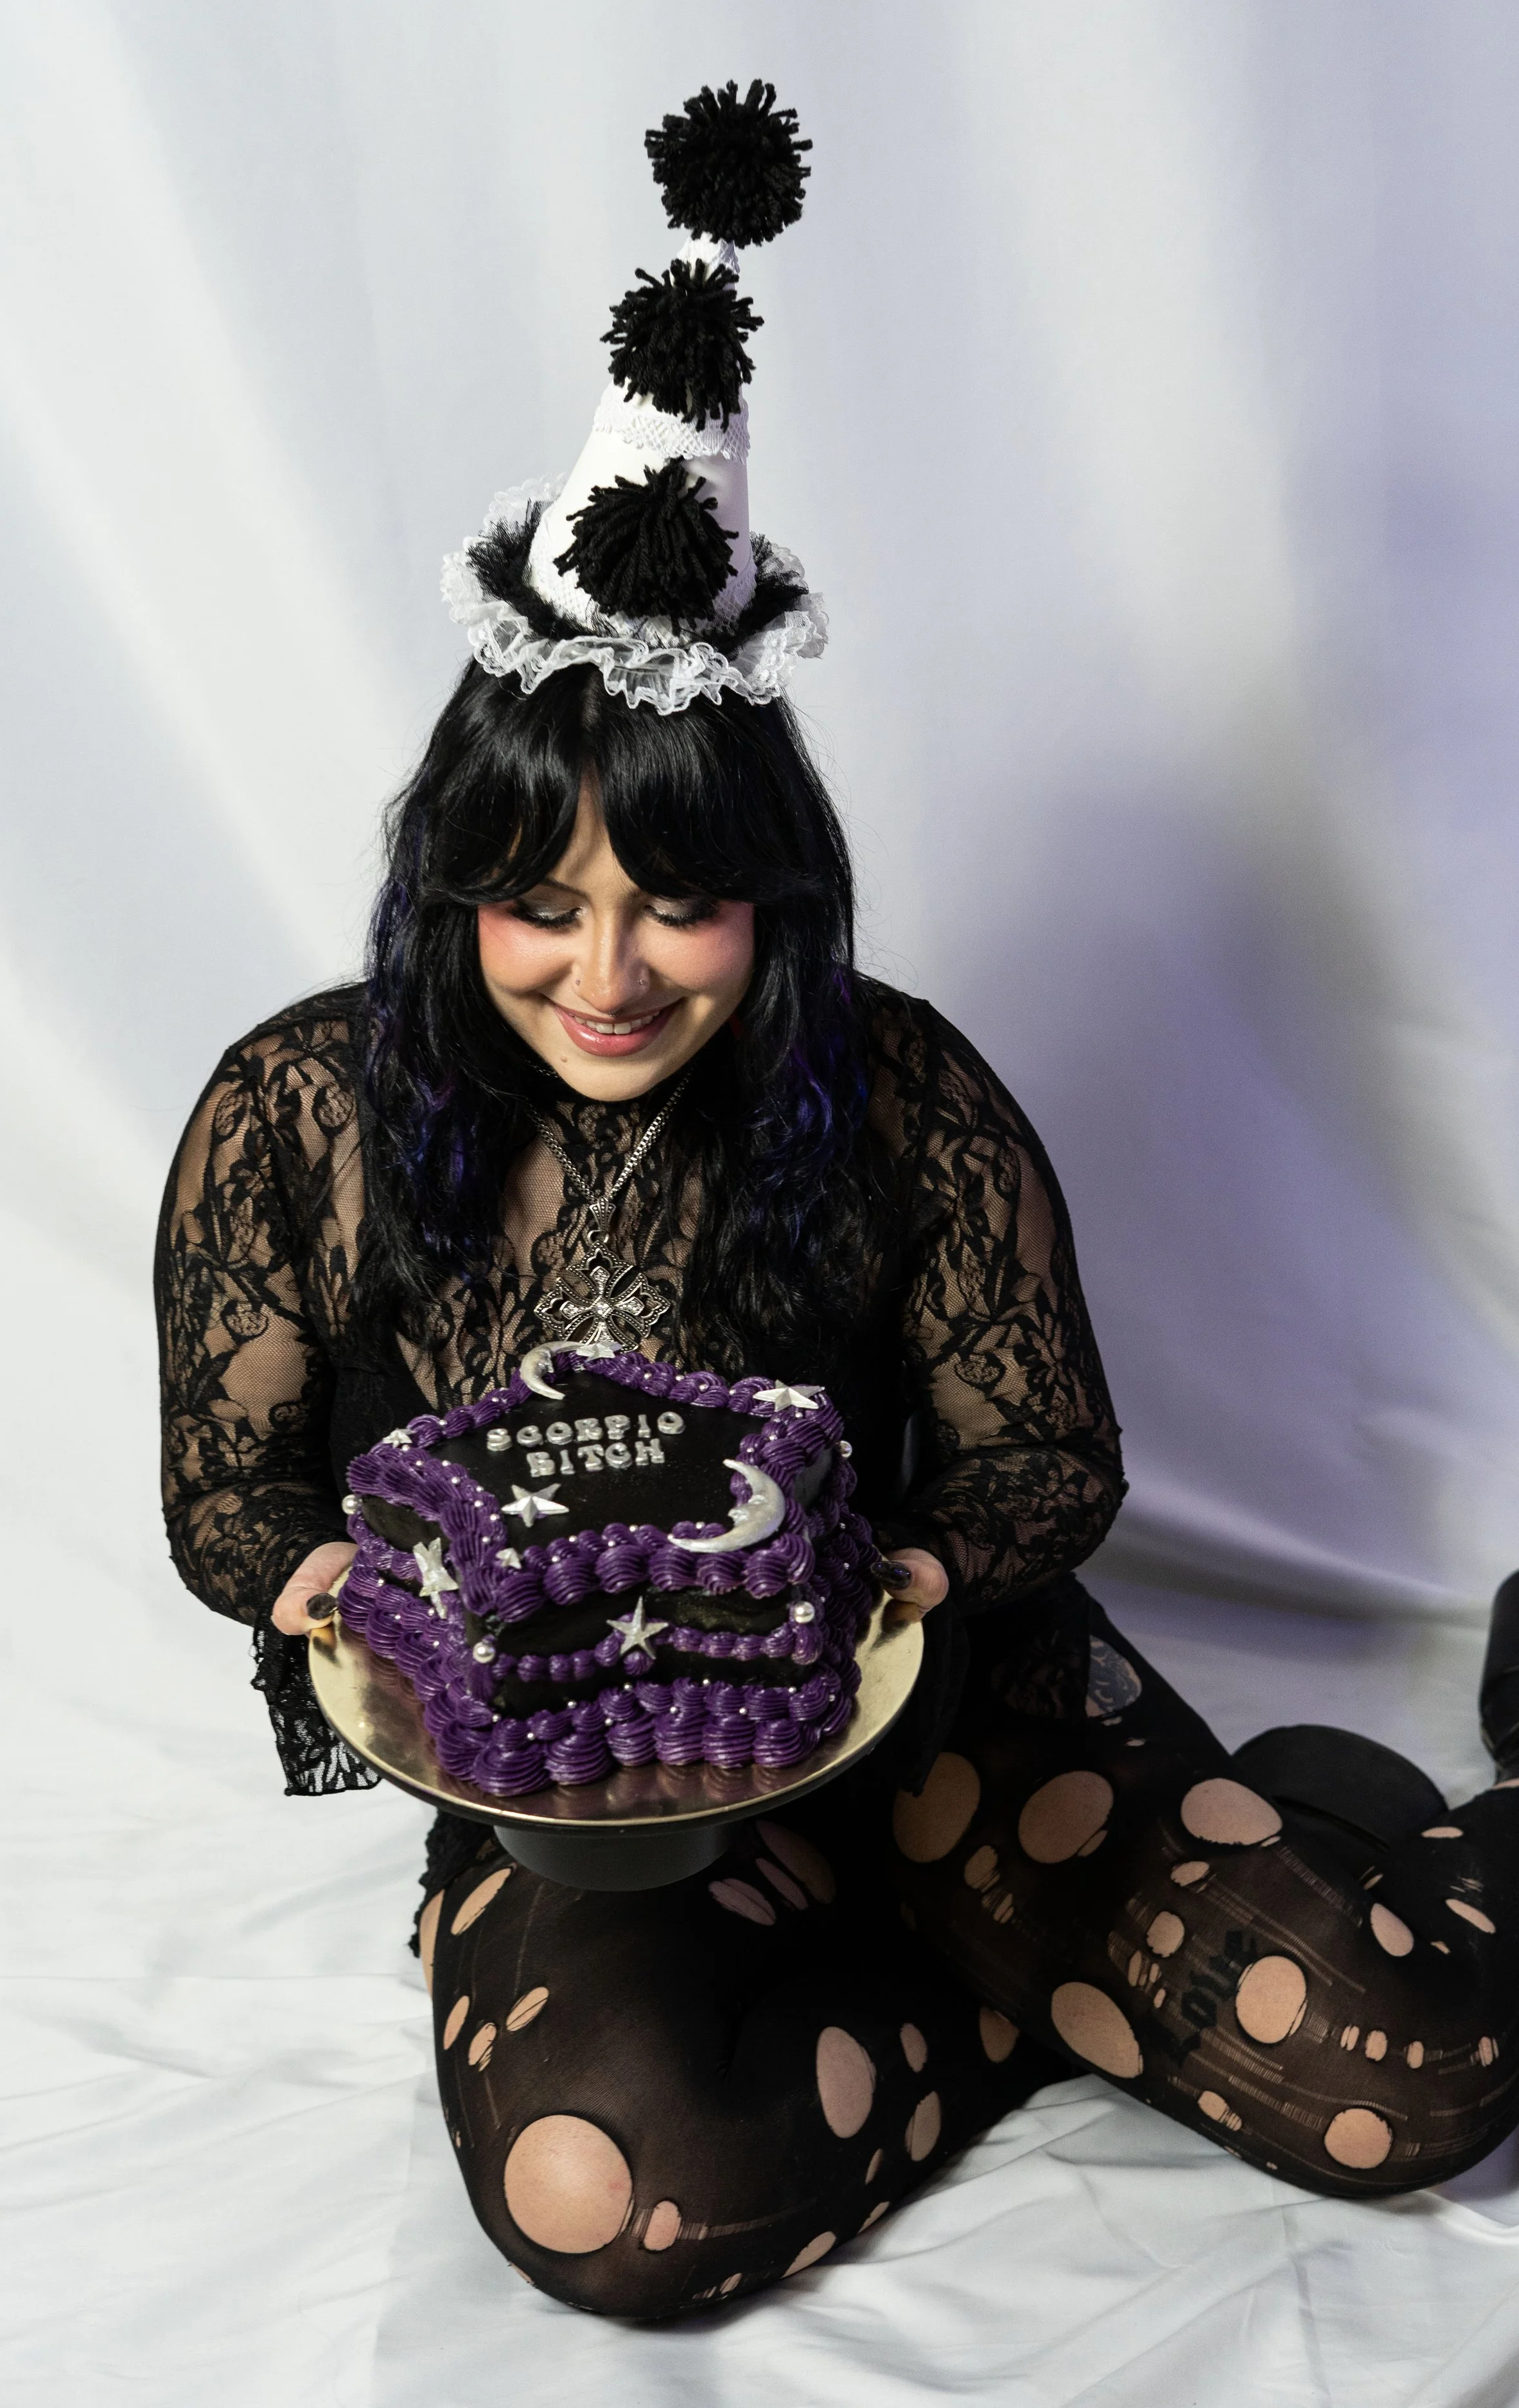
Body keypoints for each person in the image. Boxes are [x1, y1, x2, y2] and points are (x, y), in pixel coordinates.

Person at [156, 80, 1519, 2319]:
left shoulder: (893, 1089)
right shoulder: (299, 1111)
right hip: (584, 1788)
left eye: (675, 903)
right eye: (536, 902)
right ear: (453, 894)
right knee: (619, 2206)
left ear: (769, 901)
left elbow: (1042, 1454)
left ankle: (1272, 1868)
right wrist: (322, 1587)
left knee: (1404, 2079)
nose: (604, 974)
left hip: (937, 1704)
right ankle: (1017, 1980)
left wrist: (898, 1565)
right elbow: (227, 1476)